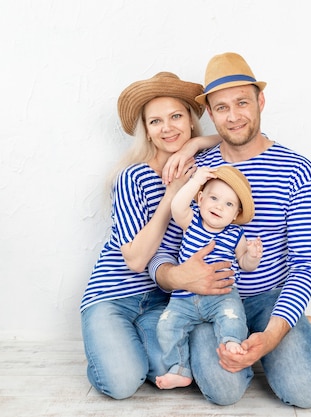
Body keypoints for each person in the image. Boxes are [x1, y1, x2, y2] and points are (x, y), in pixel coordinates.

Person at [149, 52, 311, 408]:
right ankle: (253, 350)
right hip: (207, 303)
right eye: (221, 108)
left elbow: (307, 262)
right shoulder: (197, 170)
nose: (233, 116)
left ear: (260, 101)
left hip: (270, 297)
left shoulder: (298, 169)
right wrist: (178, 277)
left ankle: (297, 328)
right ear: (211, 115)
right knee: (223, 393)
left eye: (242, 103)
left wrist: (273, 333)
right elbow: (165, 249)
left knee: (307, 394)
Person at [79, 71, 223, 400]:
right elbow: (135, 259)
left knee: (172, 373)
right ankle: (106, 350)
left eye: (175, 116)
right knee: (121, 383)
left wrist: (197, 145)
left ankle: (129, 350)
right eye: (155, 121)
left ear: (190, 120)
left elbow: (234, 140)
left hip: (162, 301)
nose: (167, 127)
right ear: (147, 130)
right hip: (112, 297)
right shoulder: (133, 176)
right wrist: (171, 193)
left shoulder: (199, 169)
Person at [155, 165, 263, 390]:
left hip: (222, 295)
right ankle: (179, 368)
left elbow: (244, 264)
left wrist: (252, 255)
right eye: (213, 198)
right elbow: (177, 205)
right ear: (201, 199)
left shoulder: (235, 234)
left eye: (229, 204)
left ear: (235, 215)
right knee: (166, 326)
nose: (219, 206)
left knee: (232, 316)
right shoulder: (191, 222)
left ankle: (231, 341)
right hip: (183, 298)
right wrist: (195, 181)